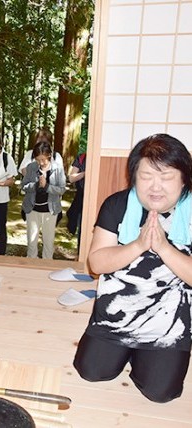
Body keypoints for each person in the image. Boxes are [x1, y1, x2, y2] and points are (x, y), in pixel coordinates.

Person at [74, 134, 192, 403]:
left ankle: (146, 357)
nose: (155, 186)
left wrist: (164, 248)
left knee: (160, 393)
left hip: (168, 323)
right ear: (134, 177)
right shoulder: (117, 205)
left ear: (184, 179)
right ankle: (127, 351)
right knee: (91, 371)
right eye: (146, 176)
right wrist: (139, 244)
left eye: (166, 177)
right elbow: (97, 263)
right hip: (117, 315)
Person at [21, 141, 66, 259]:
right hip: (32, 209)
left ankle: (47, 265)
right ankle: (31, 263)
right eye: (38, 160)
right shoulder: (31, 167)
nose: (40, 163)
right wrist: (36, 185)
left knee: (48, 241)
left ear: (49, 155)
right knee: (31, 241)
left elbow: (61, 189)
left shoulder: (58, 169)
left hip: (50, 210)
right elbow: (24, 186)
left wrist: (47, 187)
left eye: (43, 160)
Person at [67, 151, 87, 253]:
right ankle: (80, 253)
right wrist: (84, 174)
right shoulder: (82, 157)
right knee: (81, 228)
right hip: (81, 197)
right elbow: (71, 178)